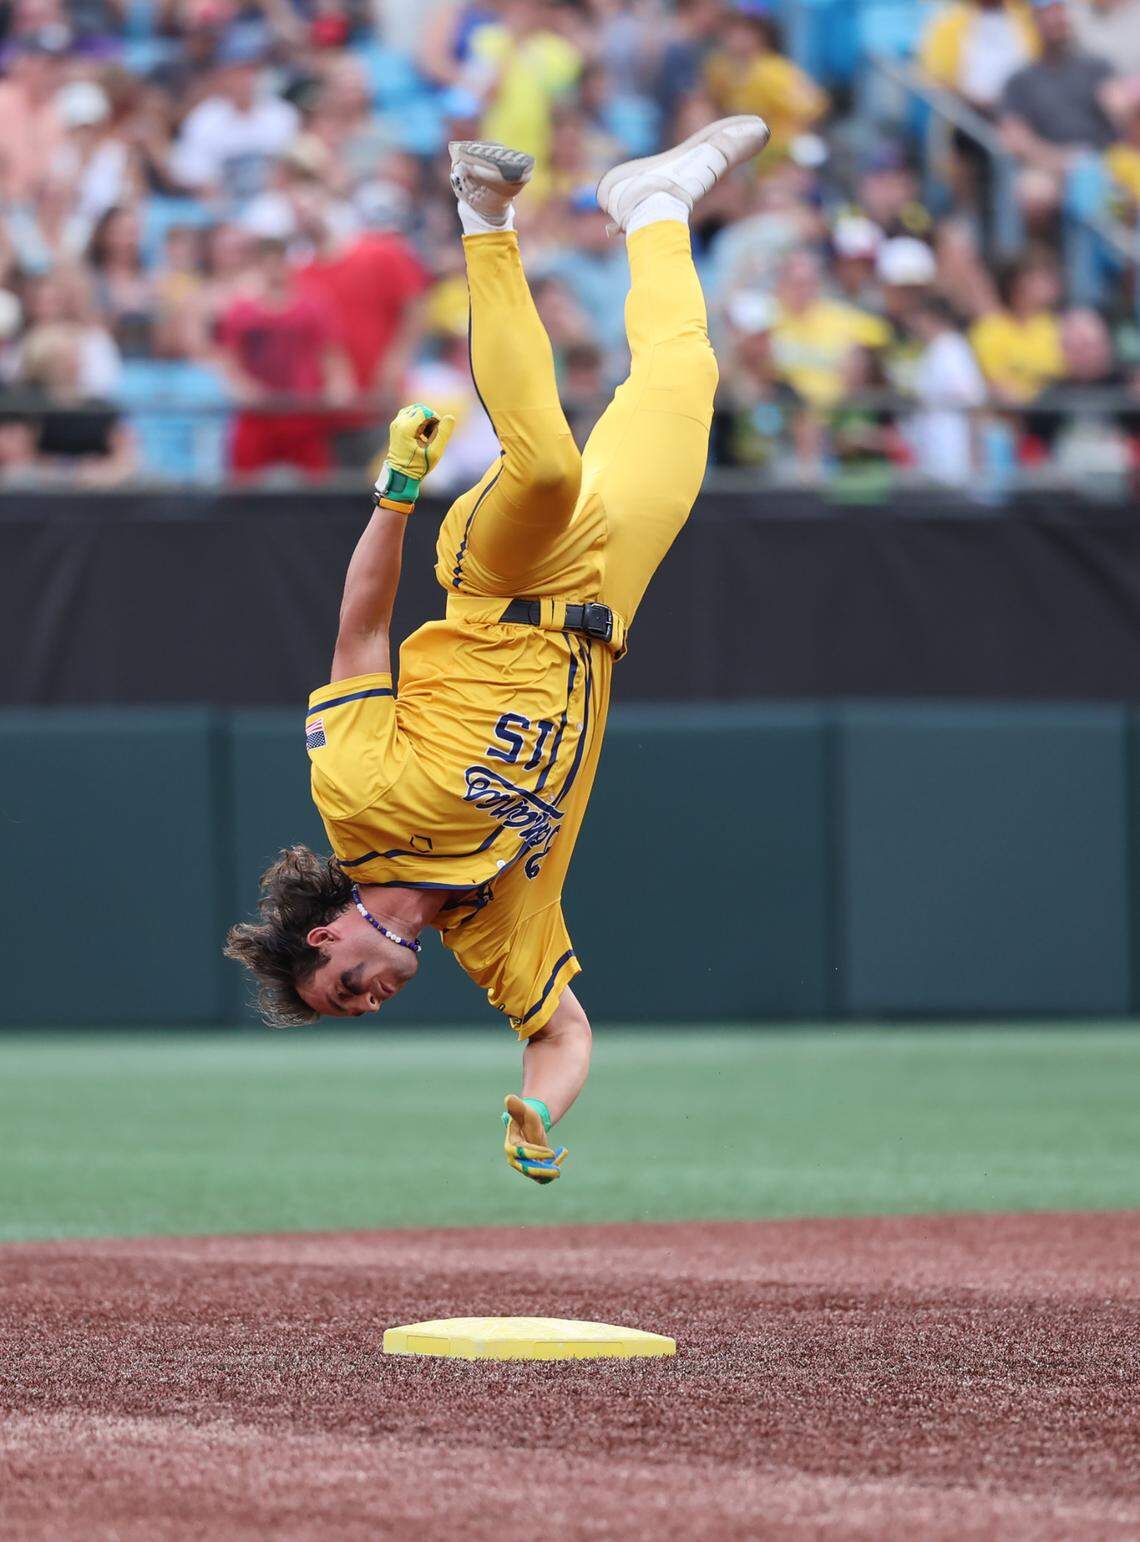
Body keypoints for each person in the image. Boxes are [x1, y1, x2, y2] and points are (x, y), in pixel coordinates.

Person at [225, 114, 771, 1183]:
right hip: (604, 604)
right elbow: (562, 1034)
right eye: (354, 1012)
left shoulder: (358, 801)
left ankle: (482, 214)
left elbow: (362, 632)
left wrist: (395, 491)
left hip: (500, 585)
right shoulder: (495, 929)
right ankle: (652, 204)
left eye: (343, 992)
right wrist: (535, 1109)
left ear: (329, 938)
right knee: (682, 383)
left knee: (551, 468)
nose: (368, 1004)